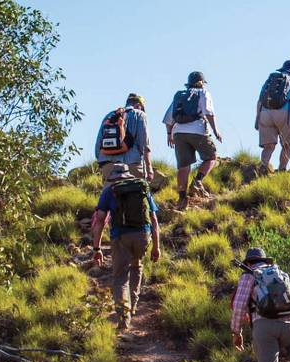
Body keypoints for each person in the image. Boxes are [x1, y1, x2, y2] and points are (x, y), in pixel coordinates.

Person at [87, 163, 161, 331]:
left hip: (120, 236)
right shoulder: (142, 188)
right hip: (143, 235)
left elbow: (99, 220)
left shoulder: (109, 191)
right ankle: (133, 304)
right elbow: (154, 219)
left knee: (120, 277)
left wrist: (97, 249)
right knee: (136, 266)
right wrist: (156, 246)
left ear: (113, 176)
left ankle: (123, 316)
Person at [166, 71, 224, 206]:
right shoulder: (203, 93)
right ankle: (197, 181)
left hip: (178, 133)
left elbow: (169, 118)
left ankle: (182, 198)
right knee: (211, 157)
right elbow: (209, 113)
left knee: (183, 166)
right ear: (201, 82)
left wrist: (169, 134)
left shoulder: (180, 95)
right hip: (197, 130)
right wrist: (216, 131)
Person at [256, 60, 290, 173]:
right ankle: (282, 170)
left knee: (268, 146)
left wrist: (257, 119)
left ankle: (263, 168)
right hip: (285, 114)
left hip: (265, 113)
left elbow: (260, 100)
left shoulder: (270, 80)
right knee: (286, 145)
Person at [94, 93, 152, 181]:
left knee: (111, 193)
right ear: (138, 105)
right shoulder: (140, 115)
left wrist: (103, 161)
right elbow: (144, 146)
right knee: (134, 193)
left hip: (108, 166)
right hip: (132, 165)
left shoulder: (109, 116)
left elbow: (98, 145)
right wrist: (149, 169)